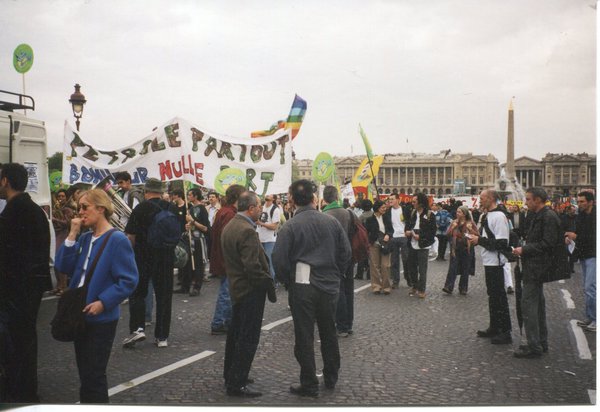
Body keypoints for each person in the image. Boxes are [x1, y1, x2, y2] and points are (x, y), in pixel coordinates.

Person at [55, 189, 138, 402]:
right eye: (78, 208)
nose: (80, 212)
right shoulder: (84, 238)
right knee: (85, 373)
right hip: (79, 312)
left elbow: (128, 279)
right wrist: (72, 234)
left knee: (94, 374)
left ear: (100, 209)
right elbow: (62, 266)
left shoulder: (117, 239)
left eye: (84, 207)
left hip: (101, 318)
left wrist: (103, 302)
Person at [272, 179, 352, 397]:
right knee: (329, 332)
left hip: (302, 286)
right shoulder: (331, 222)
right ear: (314, 198)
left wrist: (288, 281)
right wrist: (337, 274)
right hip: (329, 284)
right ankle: (331, 376)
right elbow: (346, 253)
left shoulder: (289, 226)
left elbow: (278, 260)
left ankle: (309, 382)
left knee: (304, 336)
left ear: (291, 200)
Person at [0, 163, 52, 402]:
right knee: (26, 339)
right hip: (32, 285)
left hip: (15, 288)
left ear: (5, 181)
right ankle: (26, 388)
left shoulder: (12, 213)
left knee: (15, 342)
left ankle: (19, 391)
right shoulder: (34, 210)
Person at [221, 191, 273, 397]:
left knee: (235, 335)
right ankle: (238, 382)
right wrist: (266, 283)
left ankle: (231, 374)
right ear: (250, 208)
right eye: (259, 206)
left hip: (236, 287)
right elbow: (253, 267)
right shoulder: (247, 230)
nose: (261, 209)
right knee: (248, 338)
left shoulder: (231, 225)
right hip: (250, 290)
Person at [123, 178, 178, 348]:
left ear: (146, 192)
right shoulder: (171, 207)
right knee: (164, 296)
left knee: (138, 293)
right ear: (161, 192)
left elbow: (130, 237)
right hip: (166, 257)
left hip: (142, 256)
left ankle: (138, 329)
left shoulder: (140, 208)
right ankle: (162, 337)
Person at [511, 187, 559, 358]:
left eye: (528, 199)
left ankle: (534, 346)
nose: (525, 202)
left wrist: (524, 250)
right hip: (534, 266)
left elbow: (548, 244)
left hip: (536, 267)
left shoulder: (548, 217)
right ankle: (540, 342)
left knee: (529, 306)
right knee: (537, 306)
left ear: (538, 200)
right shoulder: (540, 215)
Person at [471, 189, 513, 345]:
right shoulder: (485, 215)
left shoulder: (500, 216)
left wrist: (479, 241)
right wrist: (475, 235)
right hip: (488, 261)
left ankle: (505, 331)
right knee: (492, 296)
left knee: (499, 297)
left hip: (496, 262)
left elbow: (502, 243)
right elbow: (486, 238)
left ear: (490, 199)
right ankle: (494, 326)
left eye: (482, 198)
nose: (479, 201)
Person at [209, 184, 246, 335]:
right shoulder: (230, 214)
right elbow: (228, 237)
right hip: (227, 259)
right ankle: (218, 322)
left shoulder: (223, 211)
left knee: (229, 290)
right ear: (238, 197)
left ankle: (229, 320)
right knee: (226, 291)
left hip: (222, 257)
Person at [321, 185, 353, 337]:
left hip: (333, 258)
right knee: (348, 291)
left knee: (337, 292)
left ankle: (341, 325)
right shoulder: (347, 213)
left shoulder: (324, 215)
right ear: (336, 197)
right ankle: (348, 323)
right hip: (349, 256)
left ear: (325, 198)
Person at [565, 191, 596, 332]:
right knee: (587, 288)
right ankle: (590, 317)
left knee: (591, 288)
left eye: (582, 201)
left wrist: (576, 236)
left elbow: (592, 236)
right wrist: (570, 238)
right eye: (579, 201)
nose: (579, 204)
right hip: (584, 254)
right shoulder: (581, 216)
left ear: (591, 202)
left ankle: (596, 319)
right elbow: (577, 232)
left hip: (594, 255)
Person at [404, 193, 437, 298]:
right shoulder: (412, 212)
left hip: (423, 244)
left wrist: (421, 236)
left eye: (414, 202)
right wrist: (407, 231)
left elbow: (432, 232)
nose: (412, 203)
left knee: (422, 269)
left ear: (421, 203)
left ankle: (422, 289)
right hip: (412, 244)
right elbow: (408, 225)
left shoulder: (430, 214)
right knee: (411, 267)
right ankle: (415, 285)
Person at [442, 205, 478, 295]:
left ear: (464, 214)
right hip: (455, 248)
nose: (457, 213)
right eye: (457, 212)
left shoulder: (470, 223)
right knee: (452, 268)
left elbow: (477, 235)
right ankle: (448, 287)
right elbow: (447, 234)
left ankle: (463, 288)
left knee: (465, 268)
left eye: (459, 212)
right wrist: (453, 228)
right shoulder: (454, 222)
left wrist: (470, 230)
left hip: (467, 248)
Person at [182, 188, 209, 296]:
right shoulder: (190, 208)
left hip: (199, 239)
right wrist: (188, 226)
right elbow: (191, 226)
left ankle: (197, 287)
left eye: (190, 195)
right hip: (190, 239)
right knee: (188, 263)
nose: (188, 197)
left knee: (198, 263)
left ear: (196, 196)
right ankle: (186, 285)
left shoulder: (202, 209)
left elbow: (205, 228)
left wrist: (192, 221)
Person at [365, 200, 393, 294]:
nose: (385, 209)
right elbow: (366, 232)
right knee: (374, 266)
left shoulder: (387, 217)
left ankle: (386, 287)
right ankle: (376, 286)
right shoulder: (369, 219)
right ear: (377, 208)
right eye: (383, 207)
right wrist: (370, 241)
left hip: (385, 244)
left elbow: (391, 230)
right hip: (374, 245)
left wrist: (388, 235)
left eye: (385, 207)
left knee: (385, 266)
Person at [52, 188, 75, 295]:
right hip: (57, 234)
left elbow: (67, 223)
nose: (61, 198)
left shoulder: (68, 209)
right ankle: (59, 285)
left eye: (63, 196)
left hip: (64, 234)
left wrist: (54, 219)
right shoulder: (57, 208)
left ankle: (64, 286)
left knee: (60, 259)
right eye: (59, 196)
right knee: (56, 261)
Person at [385, 194, 410, 288]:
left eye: (392, 199)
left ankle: (408, 279)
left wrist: (407, 231)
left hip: (403, 237)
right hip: (393, 237)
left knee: (406, 259)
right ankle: (395, 281)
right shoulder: (387, 212)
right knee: (394, 261)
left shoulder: (405, 209)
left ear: (398, 200)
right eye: (389, 199)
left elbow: (409, 221)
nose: (390, 200)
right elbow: (387, 225)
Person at [256, 193, 281, 281]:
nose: (266, 195)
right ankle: (263, 281)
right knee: (260, 262)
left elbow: (274, 227)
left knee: (269, 262)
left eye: (269, 195)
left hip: (270, 239)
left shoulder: (276, 209)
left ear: (273, 199)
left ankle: (273, 282)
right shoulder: (261, 207)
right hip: (259, 238)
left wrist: (261, 223)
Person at [355, 199, 373, 280]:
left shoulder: (361, 217)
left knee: (361, 257)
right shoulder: (373, 215)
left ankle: (359, 274)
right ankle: (370, 274)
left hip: (363, 238)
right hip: (372, 237)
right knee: (371, 257)